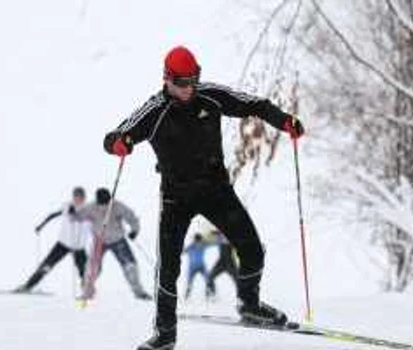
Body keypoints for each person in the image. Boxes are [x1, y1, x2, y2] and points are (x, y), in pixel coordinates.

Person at [103, 45, 305, 350]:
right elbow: (117, 136)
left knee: (252, 249)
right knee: (168, 268)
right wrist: (120, 143)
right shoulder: (155, 110)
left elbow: (256, 104)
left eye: (194, 80)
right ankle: (165, 334)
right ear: (167, 79)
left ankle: (250, 304)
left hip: (215, 190)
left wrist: (284, 120)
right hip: (176, 198)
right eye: (182, 83)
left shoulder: (209, 95)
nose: (189, 89)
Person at [74, 188, 152, 300]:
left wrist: (134, 230)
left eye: (106, 203)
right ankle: (87, 292)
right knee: (92, 267)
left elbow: (131, 217)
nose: (104, 207)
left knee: (129, 265)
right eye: (102, 204)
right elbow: (78, 216)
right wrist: (73, 212)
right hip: (99, 241)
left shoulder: (117, 206)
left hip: (118, 240)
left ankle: (139, 292)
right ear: (97, 201)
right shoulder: (90, 207)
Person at [15, 187, 92, 293]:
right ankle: (28, 286)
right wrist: (41, 226)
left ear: (84, 198)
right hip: (63, 244)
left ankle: (87, 290)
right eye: (76, 197)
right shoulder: (67, 206)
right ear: (73, 197)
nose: (78, 200)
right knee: (47, 265)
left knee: (85, 271)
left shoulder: (90, 210)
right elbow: (52, 215)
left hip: (79, 247)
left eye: (80, 197)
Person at [206, 230, 239, 297]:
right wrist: (213, 233)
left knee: (238, 280)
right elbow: (212, 235)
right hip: (221, 262)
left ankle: (242, 296)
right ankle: (211, 295)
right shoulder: (219, 235)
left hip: (230, 262)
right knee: (210, 277)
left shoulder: (230, 236)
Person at [182, 233, 211, 300]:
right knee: (189, 281)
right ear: (195, 240)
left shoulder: (203, 245)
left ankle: (209, 294)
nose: (198, 243)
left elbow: (210, 243)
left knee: (208, 279)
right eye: (197, 241)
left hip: (201, 266)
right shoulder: (191, 246)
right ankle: (187, 295)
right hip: (192, 267)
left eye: (199, 241)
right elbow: (183, 251)